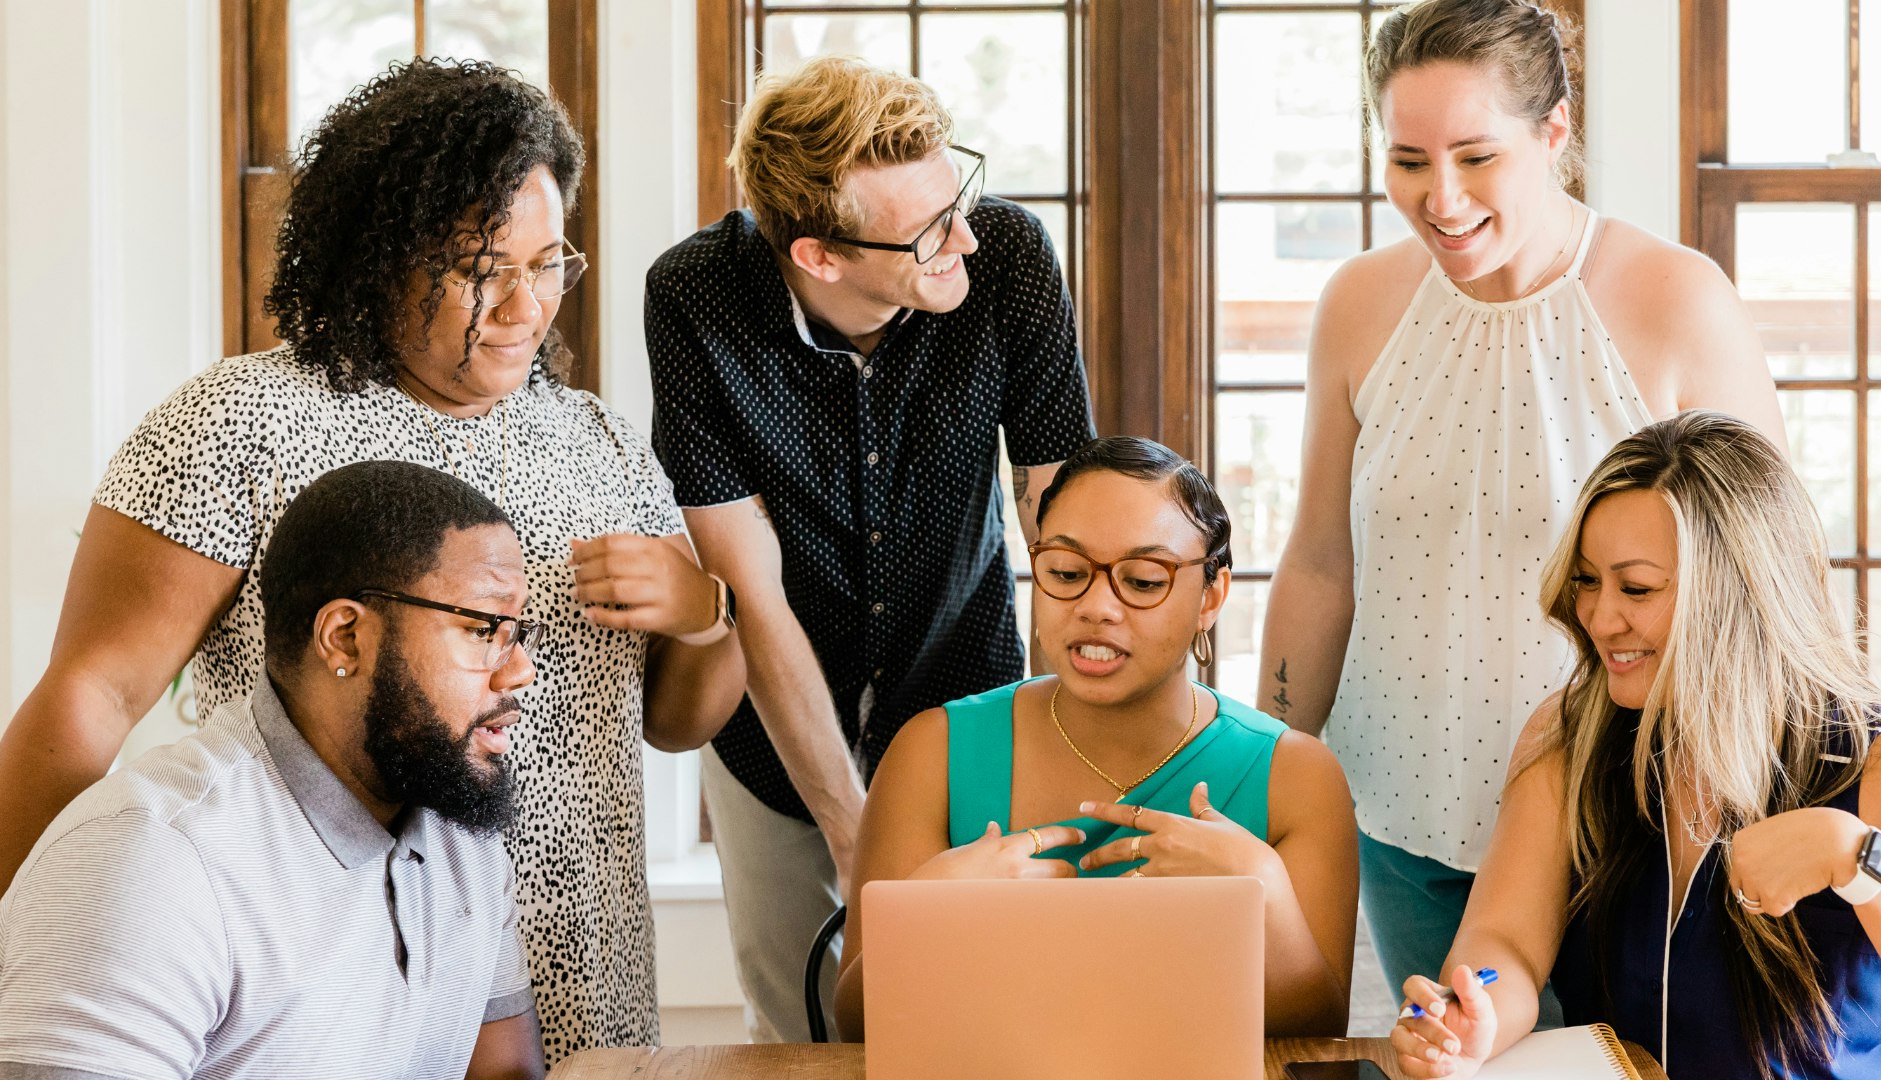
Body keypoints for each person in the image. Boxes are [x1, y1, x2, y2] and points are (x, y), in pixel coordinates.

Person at [0, 60, 744, 1059]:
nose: (529, 307)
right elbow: (91, 694)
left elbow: (677, 721)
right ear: (382, 257)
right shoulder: (239, 422)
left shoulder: (600, 443)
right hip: (338, 972)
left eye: (550, 262)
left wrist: (704, 612)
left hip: (581, 967)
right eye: (486, 270)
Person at [1254, 0, 1788, 1010]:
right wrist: (1268, 769)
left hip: (1625, 821)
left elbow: (1768, 574)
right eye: (1408, 161)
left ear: (1553, 132)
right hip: (1403, 820)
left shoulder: (1676, 297)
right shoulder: (1359, 304)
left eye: (1474, 156)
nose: (1440, 198)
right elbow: (1322, 559)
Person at [645, 56, 1094, 1042]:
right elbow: (747, 587)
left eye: (957, 199)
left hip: (963, 693)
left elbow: (1066, 533)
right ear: (819, 255)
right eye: (928, 231)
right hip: (771, 729)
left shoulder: (1009, 257)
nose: (963, 238)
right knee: (803, 1027)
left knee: (978, 1021)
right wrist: (855, 839)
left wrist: (1079, 763)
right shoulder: (697, 298)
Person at [1391, 412, 1881, 1079]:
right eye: (1588, 581)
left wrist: (1859, 860)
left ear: (1739, 591)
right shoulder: (1569, 736)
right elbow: (1508, 944)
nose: (1599, 617)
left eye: (1635, 587)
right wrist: (1474, 1015)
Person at [0, 461, 549, 1079]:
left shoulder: (462, 839)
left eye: (517, 630)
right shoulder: (151, 859)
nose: (519, 669)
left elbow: (506, 1074)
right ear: (345, 637)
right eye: (481, 629)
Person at [833, 436, 1358, 1040]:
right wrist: (928, 918)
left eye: (1141, 580)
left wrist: (1262, 890)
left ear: (1211, 596)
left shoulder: (1298, 777)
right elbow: (856, 1027)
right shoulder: (933, 752)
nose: (1096, 606)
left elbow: (1318, 1036)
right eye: (1066, 572)